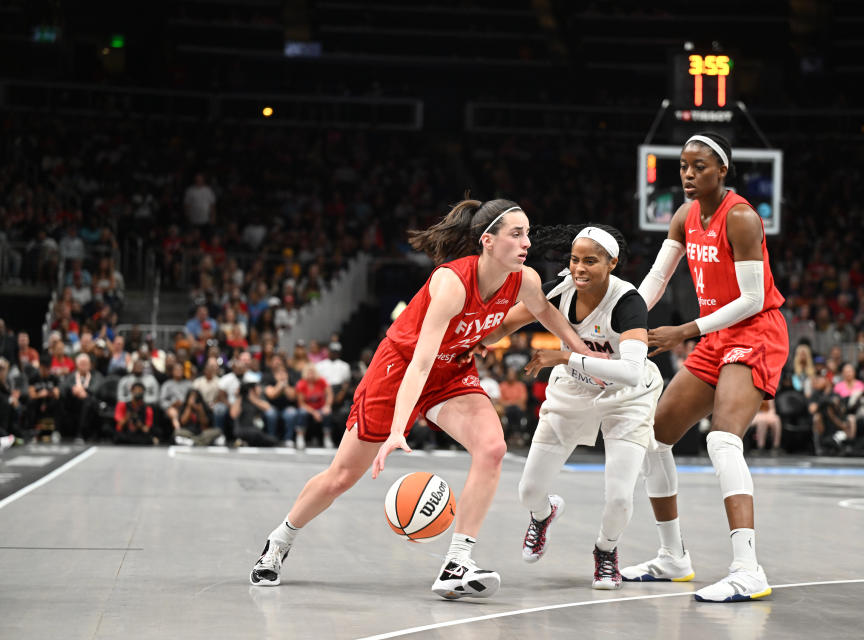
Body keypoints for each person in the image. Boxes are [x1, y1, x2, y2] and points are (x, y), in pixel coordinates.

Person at [249, 197, 594, 600]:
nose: (527, 243)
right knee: (341, 477)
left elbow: (547, 314)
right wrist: (398, 429)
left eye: (528, 234)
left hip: (451, 372)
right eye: (517, 234)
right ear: (487, 241)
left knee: (492, 448)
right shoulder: (450, 283)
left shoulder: (526, 280)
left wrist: (582, 352)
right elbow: (419, 362)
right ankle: (279, 541)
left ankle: (457, 562)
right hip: (398, 371)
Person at [622, 132, 788, 602]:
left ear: (723, 170)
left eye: (699, 166)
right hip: (716, 335)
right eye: (683, 166)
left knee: (721, 438)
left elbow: (752, 299)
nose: (689, 174)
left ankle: (748, 568)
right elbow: (655, 279)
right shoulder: (683, 215)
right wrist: (621, 322)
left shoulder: (740, 217)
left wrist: (682, 330)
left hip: (755, 331)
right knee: (654, 436)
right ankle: (673, 557)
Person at [481, 223, 661, 590]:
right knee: (528, 491)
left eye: (591, 261)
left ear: (612, 263)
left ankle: (605, 551)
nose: (579, 268)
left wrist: (565, 356)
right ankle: (543, 515)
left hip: (627, 399)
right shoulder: (559, 291)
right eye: (575, 259)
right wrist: (465, 342)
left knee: (620, 498)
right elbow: (503, 326)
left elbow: (629, 372)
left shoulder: (628, 303)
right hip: (573, 391)